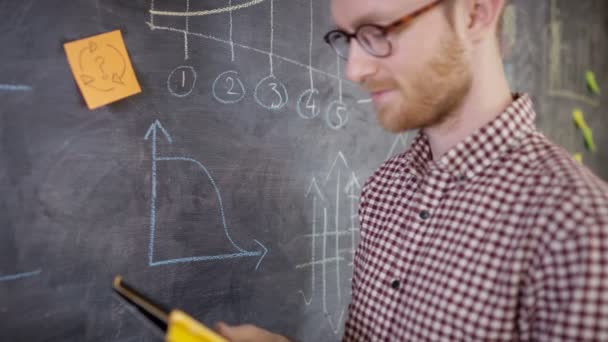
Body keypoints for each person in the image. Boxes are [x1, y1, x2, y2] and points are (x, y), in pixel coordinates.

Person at [216, 0, 608, 340]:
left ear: (475, 13)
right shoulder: (384, 189)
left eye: (379, 30)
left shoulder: (580, 228)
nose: (354, 69)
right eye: (349, 37)